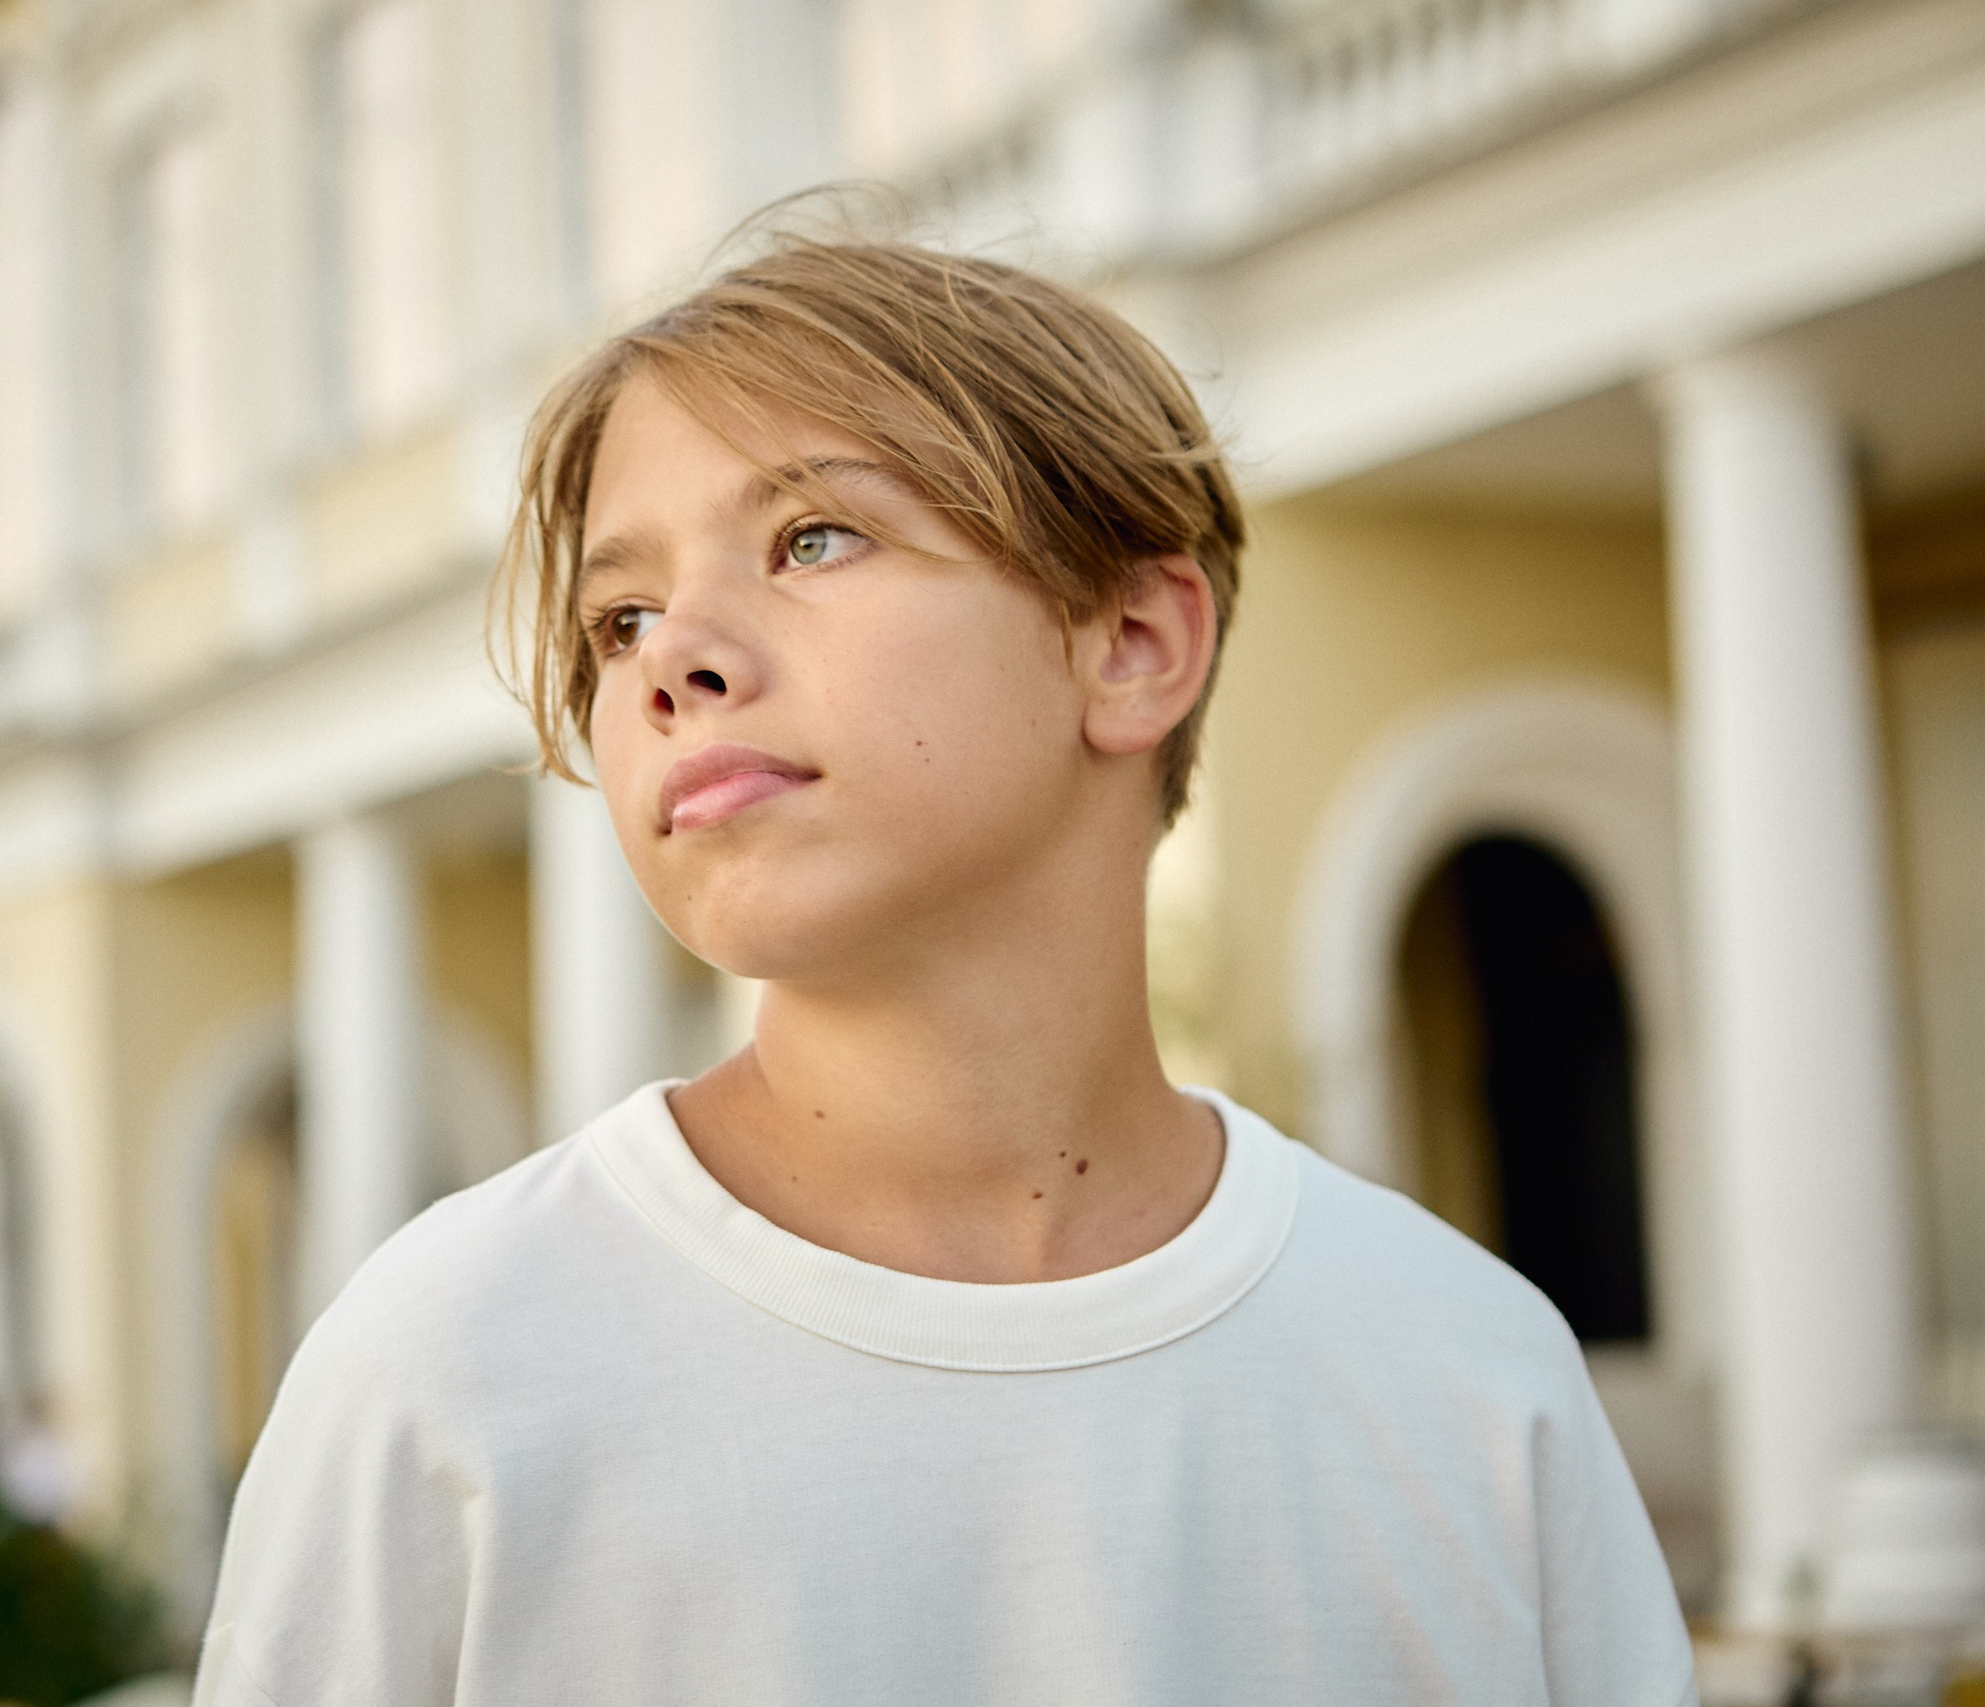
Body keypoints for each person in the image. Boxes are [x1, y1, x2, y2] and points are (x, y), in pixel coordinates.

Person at [194, 234, 1697, 1706]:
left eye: (811, 538)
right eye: (619, 617)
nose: (671, 661)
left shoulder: (1472, 1377)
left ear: (1127, 643)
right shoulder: (446, 1370)